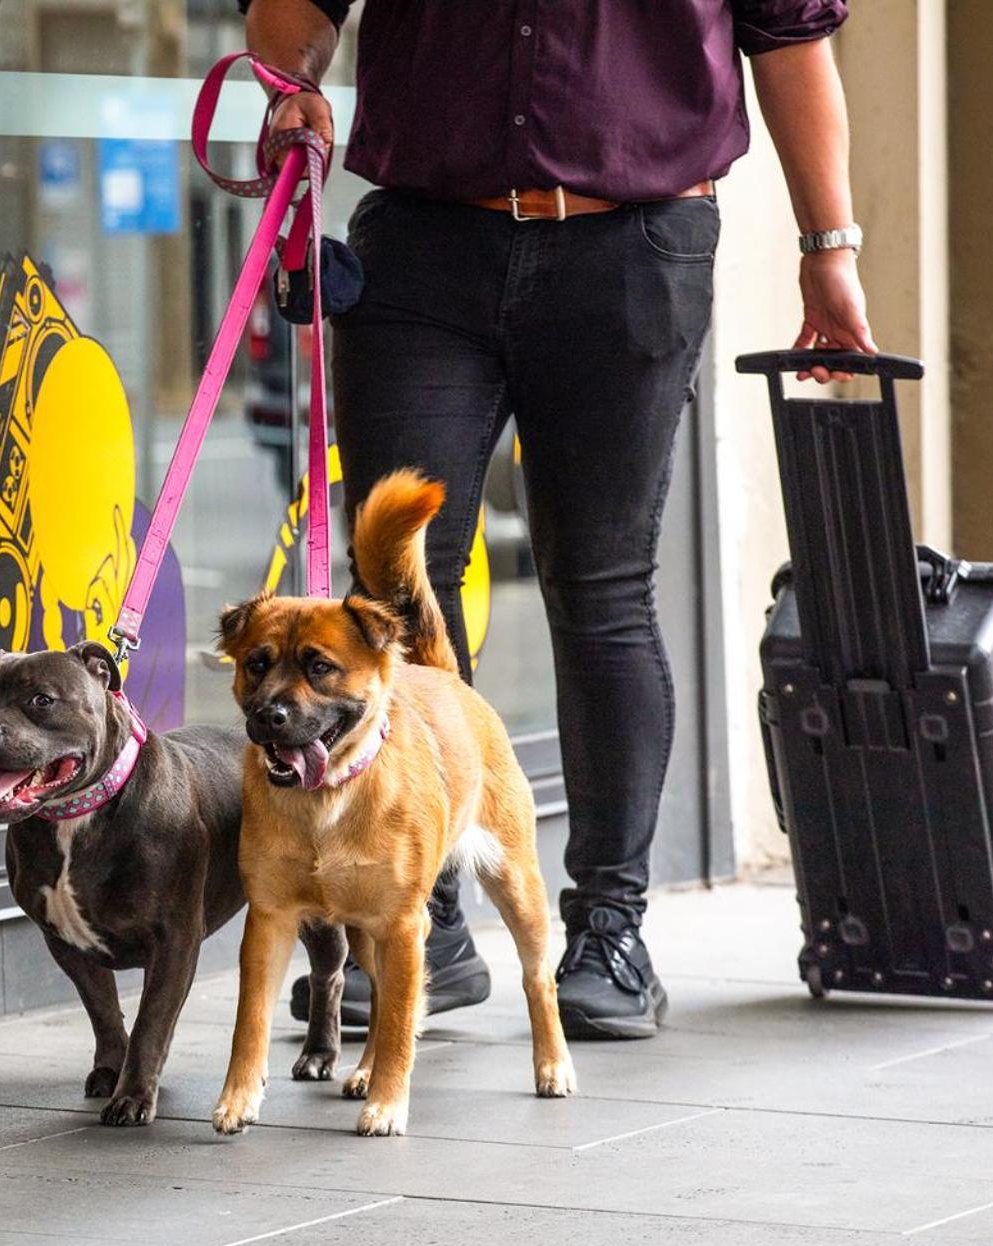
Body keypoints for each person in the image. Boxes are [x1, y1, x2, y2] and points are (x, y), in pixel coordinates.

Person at [247, 0, 876, 1039]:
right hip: (423, 246)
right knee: (393, 583)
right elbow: (295, 12)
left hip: (632, 245)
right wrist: (292, 85)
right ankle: (422, 919)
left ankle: (611, 931)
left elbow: (791, 39)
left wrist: (829, 246)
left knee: (602, 588)